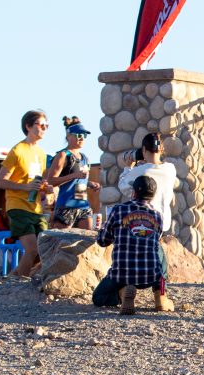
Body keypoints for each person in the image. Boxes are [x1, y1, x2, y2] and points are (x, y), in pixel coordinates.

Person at [93, 175, 173, 315]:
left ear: (133, 192)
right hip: (150, 275)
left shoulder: (118, 210)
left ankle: (122, 294)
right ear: (153, 196)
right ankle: (161, 295)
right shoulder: (158, 216)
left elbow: (102, 241)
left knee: (98, 297)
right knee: (158, 251)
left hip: (121, 275)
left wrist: (103, 231)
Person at [0, 109, 49, 278]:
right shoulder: (17, 151)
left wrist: (46, 188)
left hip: (36, 208)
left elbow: (36, 180)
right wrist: (25, 187)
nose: (44, 129)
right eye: (40, 125)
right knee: (32, 249)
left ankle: (11, 279)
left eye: (47, 126)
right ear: (28, 126)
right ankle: (21, 285)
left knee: (44, 250)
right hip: (17, 205)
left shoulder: (41, 153)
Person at [47, 116, 101, 230]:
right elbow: (51, 180)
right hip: (66, 206)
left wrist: (90, 184)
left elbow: (78, 181)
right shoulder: (63, 155)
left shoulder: (85, 158)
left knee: (85, 242)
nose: (81, 138)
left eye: (84, 135)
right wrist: (74, 176)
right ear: (68, 136)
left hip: (83, 205)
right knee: (62, 245)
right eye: (78, 135)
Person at [118, 132, 177, 230]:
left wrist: (128, 168)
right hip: (163, 222)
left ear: (144, 149)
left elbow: (123, 186)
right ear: (161, 149)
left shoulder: (140, 171)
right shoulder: (171, 169)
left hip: (144, 221)